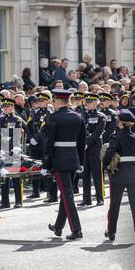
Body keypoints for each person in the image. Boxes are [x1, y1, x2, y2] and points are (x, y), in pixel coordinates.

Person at [45, 89, 86, 240]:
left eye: (53, 101)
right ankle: (58, 227)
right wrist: (80, 161)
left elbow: (50, 143)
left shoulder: (55, 117)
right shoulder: (78, 116)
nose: (53, 104)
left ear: (57, 102)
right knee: (65, 194)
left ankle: (76, 230)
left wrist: (46, 164)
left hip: (60, 160)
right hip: (73, 158)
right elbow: (82, 142)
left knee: (67, 195)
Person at [103, 110, 135, 243]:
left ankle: (111, 232)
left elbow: (110, 153)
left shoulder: (115, 137)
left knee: (114, 204)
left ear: (121, 123)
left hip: (119, 174)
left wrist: (106, 165)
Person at [0, 98, 26, 209]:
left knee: (16, 176)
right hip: (4, 150)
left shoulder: (16, 119)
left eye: (7, 107)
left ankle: (18, 201)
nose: (5, 109)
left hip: (14, 149)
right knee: (4, 176)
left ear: (12, 107)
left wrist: (13, 147)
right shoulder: (0, 119)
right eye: (4, 107)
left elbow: (16, 135)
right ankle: (5, 201)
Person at [27, 92, 57, 202]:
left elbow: (44, 129)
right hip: (35, 145)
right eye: (38, 101)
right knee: (35, 167)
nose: (39, 103)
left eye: (42, 101)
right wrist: (30, 138)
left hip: (44, 144)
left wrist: (37, 138)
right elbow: (28, 126)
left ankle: (51, 193)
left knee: (47, 168)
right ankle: (35, 191)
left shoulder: (49, 112)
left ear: (47, 101)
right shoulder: (34, 112)